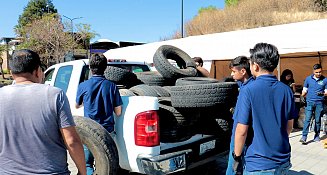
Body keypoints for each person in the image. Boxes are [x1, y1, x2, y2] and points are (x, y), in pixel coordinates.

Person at [0, 49, 86, 175]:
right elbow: (71, 140)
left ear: (12, 73)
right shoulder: (55, 94)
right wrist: (82, 172)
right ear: (38, 71)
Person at [233, 43, 296, 174]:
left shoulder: (248, 90)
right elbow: (289, 126)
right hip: (283, 160)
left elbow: (241, 131)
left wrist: (237, 157)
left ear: (255, 66)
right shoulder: (286, 90)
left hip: (259, 164)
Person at [76, 53, 123, 175]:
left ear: (90, 68)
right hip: (107, 132)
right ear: (105, 68)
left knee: (87, 164)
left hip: (90, 132)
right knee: (108, 165)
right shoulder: (112, 86)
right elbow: (118, 112)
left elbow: (77, 105)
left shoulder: (83, 85)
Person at [226, 56, 254, 175]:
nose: (232, 74)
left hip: (242, 136)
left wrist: (236, 155)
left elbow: (243, 128)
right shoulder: (243, 84)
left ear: (243, 71)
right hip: (239, 133)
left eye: (233, 71)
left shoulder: (249, 89)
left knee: (233, 168)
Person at [299, 63, 327, 144]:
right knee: (307, 119)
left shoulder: (325, 80)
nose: (319, 74)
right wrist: (302, 96)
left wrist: (322, 94)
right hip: (309, 102)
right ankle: (304, 137)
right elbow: (305, 90)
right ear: (313, 71)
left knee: (317, 120)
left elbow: (326, 92)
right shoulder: (308, 79)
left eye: (320, 72)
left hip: (319, 103)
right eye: (317, 72)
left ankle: (317, 135)